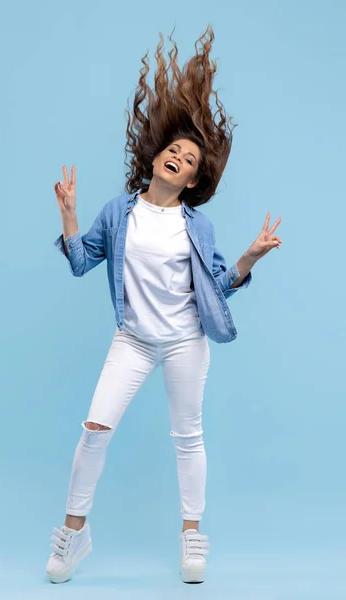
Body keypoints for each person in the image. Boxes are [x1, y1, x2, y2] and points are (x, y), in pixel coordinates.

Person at [45, 24, 282, 585]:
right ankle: (73, 534)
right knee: (94, 429)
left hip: (183, 340)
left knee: (188, 436)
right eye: (173, 150)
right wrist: (70, 214)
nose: (178, 156)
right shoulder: (117, 213)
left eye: (189, 159)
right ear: (154, 159)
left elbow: (216, 288)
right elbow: (82, 263)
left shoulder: (195, 226)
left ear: (195, 180)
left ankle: (191, 534)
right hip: (132, 338)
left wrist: (248, 257)